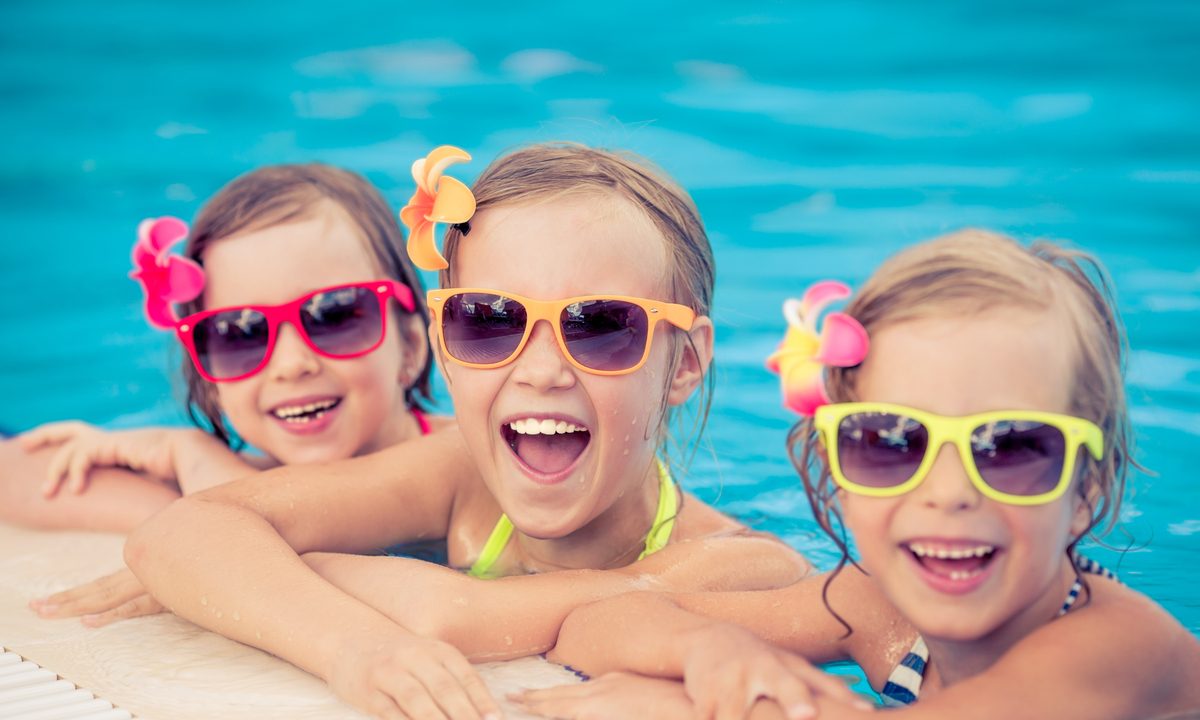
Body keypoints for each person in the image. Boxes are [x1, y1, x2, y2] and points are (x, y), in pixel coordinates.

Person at [124, 144, 812, 720]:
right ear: (444, 345)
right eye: (489, 320)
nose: (541, 372)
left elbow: (450, 616)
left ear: (684, 363)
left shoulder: (744, 565)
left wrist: (298, 570)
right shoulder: (458, 474)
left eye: (600, 326)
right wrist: (353, 647)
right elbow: (177, 533)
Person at [519, 229, 1200, 720]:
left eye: (1011, 449)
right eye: (890, 443)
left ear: (1088, 491)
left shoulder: (1120, 650)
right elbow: (592, 626)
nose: (949, 493)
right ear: (835, 471)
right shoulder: (875, 606)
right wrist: (709, 651)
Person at [2, 163, 439, 624]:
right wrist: (201, 515)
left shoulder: (459, 461)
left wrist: (203, 481)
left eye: (334, 315)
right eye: (239, 334)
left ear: (411, 344)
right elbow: (16, 470)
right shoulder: (243, 475)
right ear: (208, 379)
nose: (291, 365)